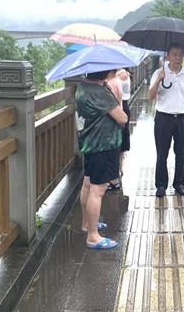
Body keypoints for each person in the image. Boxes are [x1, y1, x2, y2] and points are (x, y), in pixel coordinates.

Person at [76, 70, 128, 250]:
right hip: (103, 144)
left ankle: (87, 224)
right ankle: (93, 236)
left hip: (89, 143)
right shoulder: (100, 92)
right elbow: (122, 118)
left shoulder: (83, 86)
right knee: (98, 190)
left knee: (88, 184)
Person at [149, 43, 184, 198]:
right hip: (163, 118)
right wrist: (158, 80)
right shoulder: (159, 72)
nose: (178, 58)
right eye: (174, 54)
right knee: (162, 154)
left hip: (182, 119)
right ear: (168, 56)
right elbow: (150, 96)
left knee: (181, 153)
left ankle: (179, 183)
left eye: (180, 54)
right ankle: (161, 185)